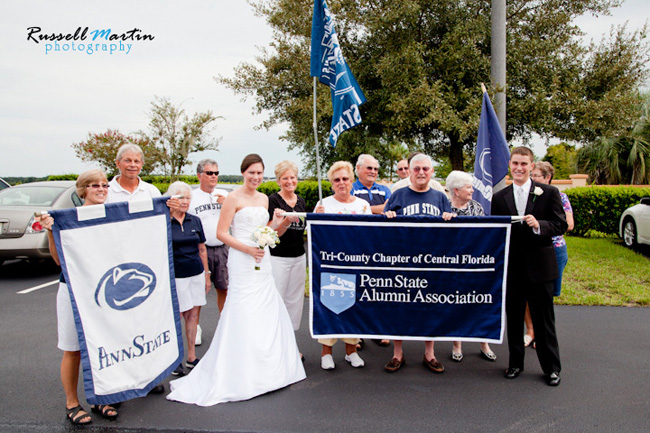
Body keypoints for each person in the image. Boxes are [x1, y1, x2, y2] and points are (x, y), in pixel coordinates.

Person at [166, 154, 305, 406]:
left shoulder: (264, 198)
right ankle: (240, 370)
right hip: (242, 260)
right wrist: (248, 249)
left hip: (263, 258)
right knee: (242, 308)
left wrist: (282, 222)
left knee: (265, 308)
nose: (256, 177)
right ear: (243, 173)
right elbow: (221, 233)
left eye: (260, 173)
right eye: (251, 172)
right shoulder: (232, 198)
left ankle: (267, 367)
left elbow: (269, 232)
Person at [41, 169, 118, 425]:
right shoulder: (68, 218)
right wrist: (51, 231)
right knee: (73, 348)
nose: (101, 189)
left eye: (105, 185)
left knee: (102, 344)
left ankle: (100, 398)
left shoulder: (112, 217)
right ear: (82, 189)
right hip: (73, 289)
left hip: (102, 292)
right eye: (95, 185)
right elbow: (58, 260)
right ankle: (72, 403)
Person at [492, 147, 568, 386]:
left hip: (541, 268)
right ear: (510, 166)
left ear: (532, 166)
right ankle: (515, 364)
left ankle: (552, 368)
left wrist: (540, 225)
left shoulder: (549, 192)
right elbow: (496, 233)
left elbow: (560, 224)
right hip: (512, 269)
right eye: (515, 163)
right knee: (513, 318)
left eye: (524, 164)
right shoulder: (499, 197)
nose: (519, 168)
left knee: (544, 320)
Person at [383, 154, 455, 374]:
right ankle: (397, 354)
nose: (421, 172)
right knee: (399, 306)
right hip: (403, 262)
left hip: (431, 263)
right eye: (417, 169)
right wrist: (387, 216)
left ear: (432, 171)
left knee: (430, 306)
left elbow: (452, 230)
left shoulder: (440, 196)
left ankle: (429, 354)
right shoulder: (398, 195)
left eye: (426, 168)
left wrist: (449, 218)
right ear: (410, 172)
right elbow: (383, 227)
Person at [104, 143, 165, 394]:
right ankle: (118, 382)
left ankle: (147, 378)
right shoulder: (105, 191)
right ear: (117, 163)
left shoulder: (150, 191)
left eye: (136, 161)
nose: (132, 165)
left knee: (145, 324)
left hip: (145, 266)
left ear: (142, 164)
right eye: (127, 160)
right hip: (115, 266)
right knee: (118, 327)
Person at [314, 161, 369, 369]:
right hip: (330, 263)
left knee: (353, 306)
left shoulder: (362, 205)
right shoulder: (323, 204)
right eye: (336, 180)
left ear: (352, 181)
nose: (341, 183)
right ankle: (326, 352)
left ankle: (351, 350)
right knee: (330, 304)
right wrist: (316, 220)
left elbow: (369, 235)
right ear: (331, 183)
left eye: (345, 179)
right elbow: (313, 236)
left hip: (354, 262)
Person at [445, 170, 497, 363]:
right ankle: (457, 344)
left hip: (475, 263)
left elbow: (484, 234)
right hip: (451, 266)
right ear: (456, 190)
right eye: (468, 187)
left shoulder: (476, 207)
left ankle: (484, 343)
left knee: (478, 302)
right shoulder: (445, 208)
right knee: (456, 303)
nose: (472, 190)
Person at [523, 162, 575, 347]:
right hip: (529, 249)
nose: (533, 179)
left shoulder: (559, 196)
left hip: (554, 250)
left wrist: (540, 224)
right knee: (527, 293)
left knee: (546, 295)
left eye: (537, 176)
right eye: (532, 175)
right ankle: (530, 331)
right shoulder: (525, 196)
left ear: (547, 178)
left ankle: (543, 332)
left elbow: (568, 224)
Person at [166, 181, 211, 376]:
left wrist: (207, 275)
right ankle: (174, 360)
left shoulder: (195, 220)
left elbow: (202, 248)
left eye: (187, 198)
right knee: (177, 317)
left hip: (196, 273)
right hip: (176, 276)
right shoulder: (164, 221)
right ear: (172, 199)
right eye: (180, 197)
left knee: (193, 316)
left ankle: (191, 357)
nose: (185, 201)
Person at [267, 161, 307, 357]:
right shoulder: (273, 201)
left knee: (295, 302)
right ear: (278, 181)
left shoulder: (301, 201)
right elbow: (271, 232)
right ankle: (276, 347)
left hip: (299, 258)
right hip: (278, 258)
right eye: (285, 178)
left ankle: (290, 344)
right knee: (277, 301)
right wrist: (284, 220)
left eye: (292, 177)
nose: (289, 181)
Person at [188, 159, 229, 347]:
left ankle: (224, 325)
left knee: (224, 288)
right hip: (198, 249)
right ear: (199, 176)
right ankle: (195, 327)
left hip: (222, 247)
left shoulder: (226, 195)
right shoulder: (191, 196)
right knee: (198, 291)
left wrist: (227, 203)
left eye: (216, 173)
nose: (213, 176)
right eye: (209, 173)